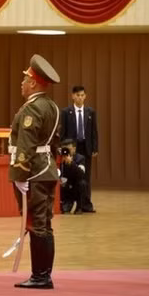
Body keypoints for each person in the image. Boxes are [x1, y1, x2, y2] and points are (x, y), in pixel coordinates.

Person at [9, 54, 61, 290]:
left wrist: (20, 174)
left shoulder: (32, 109)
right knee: (44, 224)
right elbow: (54, 141)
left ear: (33, 83)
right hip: (47, 170)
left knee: (37, 225)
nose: (21, 83)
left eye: (24, 79)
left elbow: (26, 144)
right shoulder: (51, 106)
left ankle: (41, 276)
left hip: (34, 173)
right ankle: (42, 274)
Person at [59, 85, 99, 213]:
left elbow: (94, 132)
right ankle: (67, 203)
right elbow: (63, 133)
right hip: (71, 148)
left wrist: (95, 147)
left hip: (86, 147)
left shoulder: (90, 112)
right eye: (78, 95)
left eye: (82, 95)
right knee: (69, 174)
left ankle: (85, 204)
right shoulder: (66, 112)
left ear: (85, 96)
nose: (80, 98)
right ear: (73, 96)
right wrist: (64, 150)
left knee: (86, 177)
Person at [58, 139, 89, 214]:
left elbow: (81, 174)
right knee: (65, 210)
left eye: (68, 149)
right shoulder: (59, 158)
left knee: (82, 183)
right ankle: (65, 203)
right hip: (64, 187)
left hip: (75, 187)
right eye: (64, 149)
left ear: (74, 149)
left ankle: (79, 207)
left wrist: (71, 163)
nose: (66, 151)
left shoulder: (80, 158)